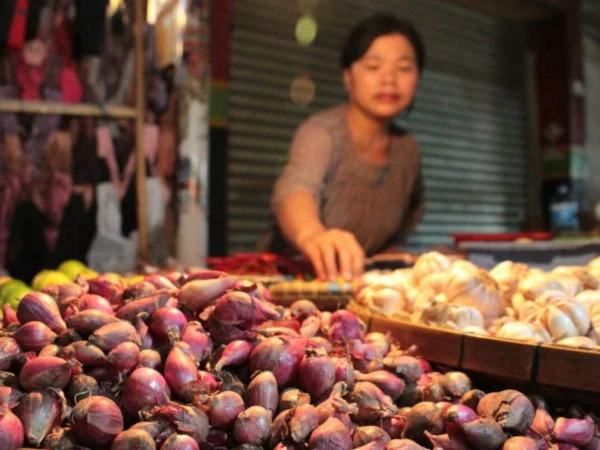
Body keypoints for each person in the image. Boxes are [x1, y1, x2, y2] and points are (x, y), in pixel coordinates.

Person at [265, 13, 426, 281]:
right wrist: (313, 236)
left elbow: (407, 220)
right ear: (348, 77)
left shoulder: (407, 150)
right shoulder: (321, 133)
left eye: (404, 67)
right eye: (374, 66)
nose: (389, 79)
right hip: (296, 285)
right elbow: (295, 189)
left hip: (361, 286)